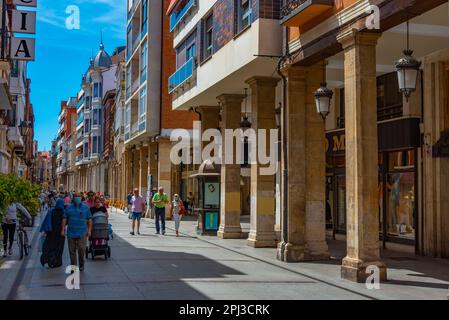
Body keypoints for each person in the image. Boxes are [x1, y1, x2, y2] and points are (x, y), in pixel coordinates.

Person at [61, 193, 92, 272]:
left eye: (79, 197)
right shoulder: (68, 208)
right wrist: (62, 229)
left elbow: (89, 219)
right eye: (76, 197)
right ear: (73, 198)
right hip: (71, 233)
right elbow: (64, 218)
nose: (77, 198)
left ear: (81, 198)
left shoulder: (86, 208)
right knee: (72, 251)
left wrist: (89, 230)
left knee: (81, 249)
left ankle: (81, 263)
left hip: (82, 233)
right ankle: (74, 267)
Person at [40, 199, 65, 268]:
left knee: (50, 247)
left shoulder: (51, 211)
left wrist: (45, 231)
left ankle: (48, 259)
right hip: (60, 233)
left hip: (51, 233)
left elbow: (47, 222)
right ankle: (57, 262)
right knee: (59, 249)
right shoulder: (63, 212)